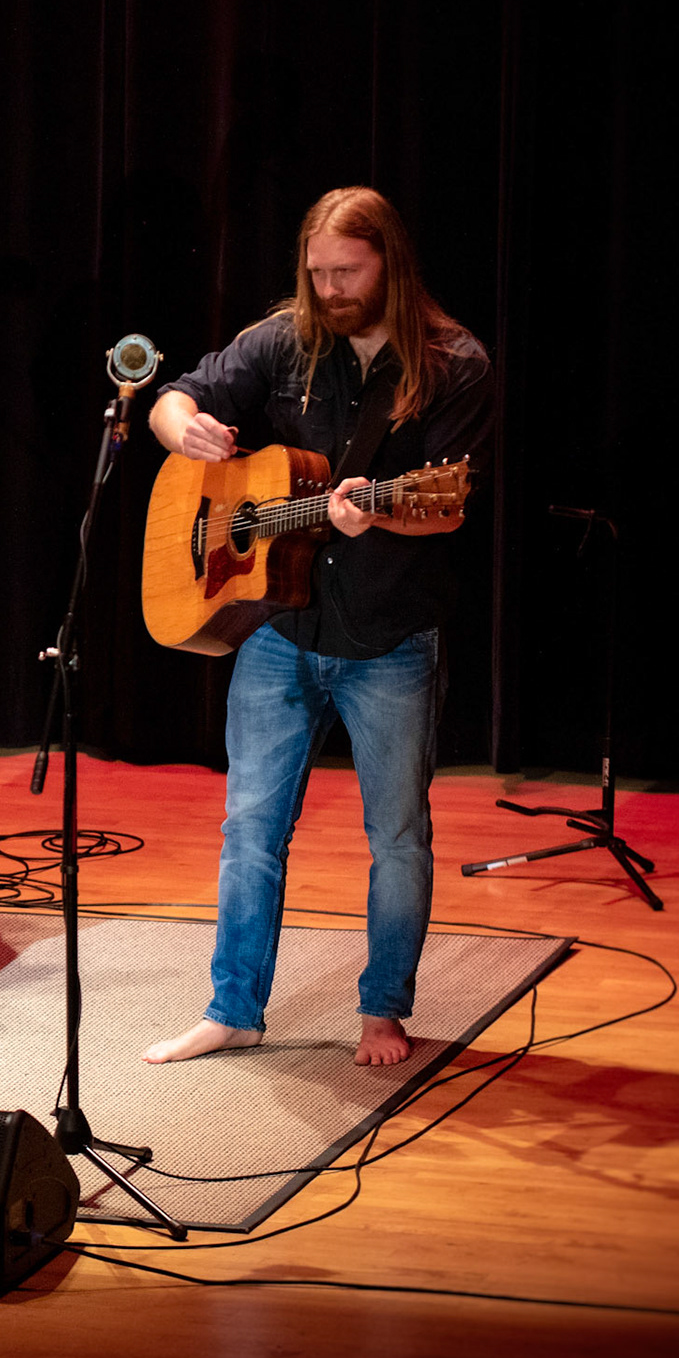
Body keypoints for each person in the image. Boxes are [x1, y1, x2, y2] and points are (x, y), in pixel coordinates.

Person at [141, 186, 492, 1068]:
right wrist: (187, 433)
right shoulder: (285, 339)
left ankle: (383, 1010)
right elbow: (173, 397)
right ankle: (234, 1007)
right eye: (319, 272)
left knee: (397, 837)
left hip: (390, 635)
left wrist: (381, 511)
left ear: (389, 264)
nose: (331, 289)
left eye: (348, 272)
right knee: (250, 827)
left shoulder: (454, 363)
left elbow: (450, 506)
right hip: (278, 625)